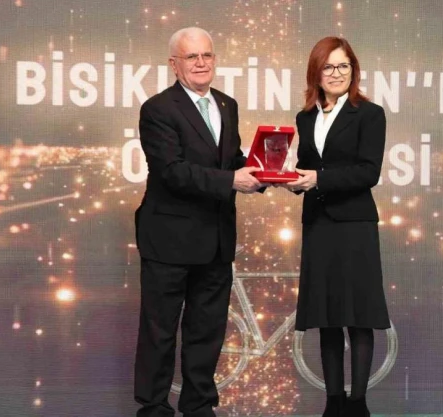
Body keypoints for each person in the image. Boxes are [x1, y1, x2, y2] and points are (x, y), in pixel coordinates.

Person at [133, 27, 262, 417]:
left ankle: (199, 405)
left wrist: (266, 173)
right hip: (168, 240)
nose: (202, 63)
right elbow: (172, 171)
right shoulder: (158, 109)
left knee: (207, 331)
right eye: (192, 57)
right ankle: (154, 407)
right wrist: (232, 180)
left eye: (207, 55)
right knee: (160, 331)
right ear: (174, 64)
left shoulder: (227, 104)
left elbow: (230, 160)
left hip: (216, 240)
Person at [284, 37, 390, 417]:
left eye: (343, 65)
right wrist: (291, 179)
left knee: (358, 317)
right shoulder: (305, 117)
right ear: (316, 73)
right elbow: (307, 166)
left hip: (355, 225)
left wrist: (319, 179)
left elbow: (368, 172)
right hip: (318, 224)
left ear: (353, 70)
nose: (336, 73)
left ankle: (358, 403)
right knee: (326, 317)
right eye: (328, 66)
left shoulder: (370, 114)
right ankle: (333, 403)